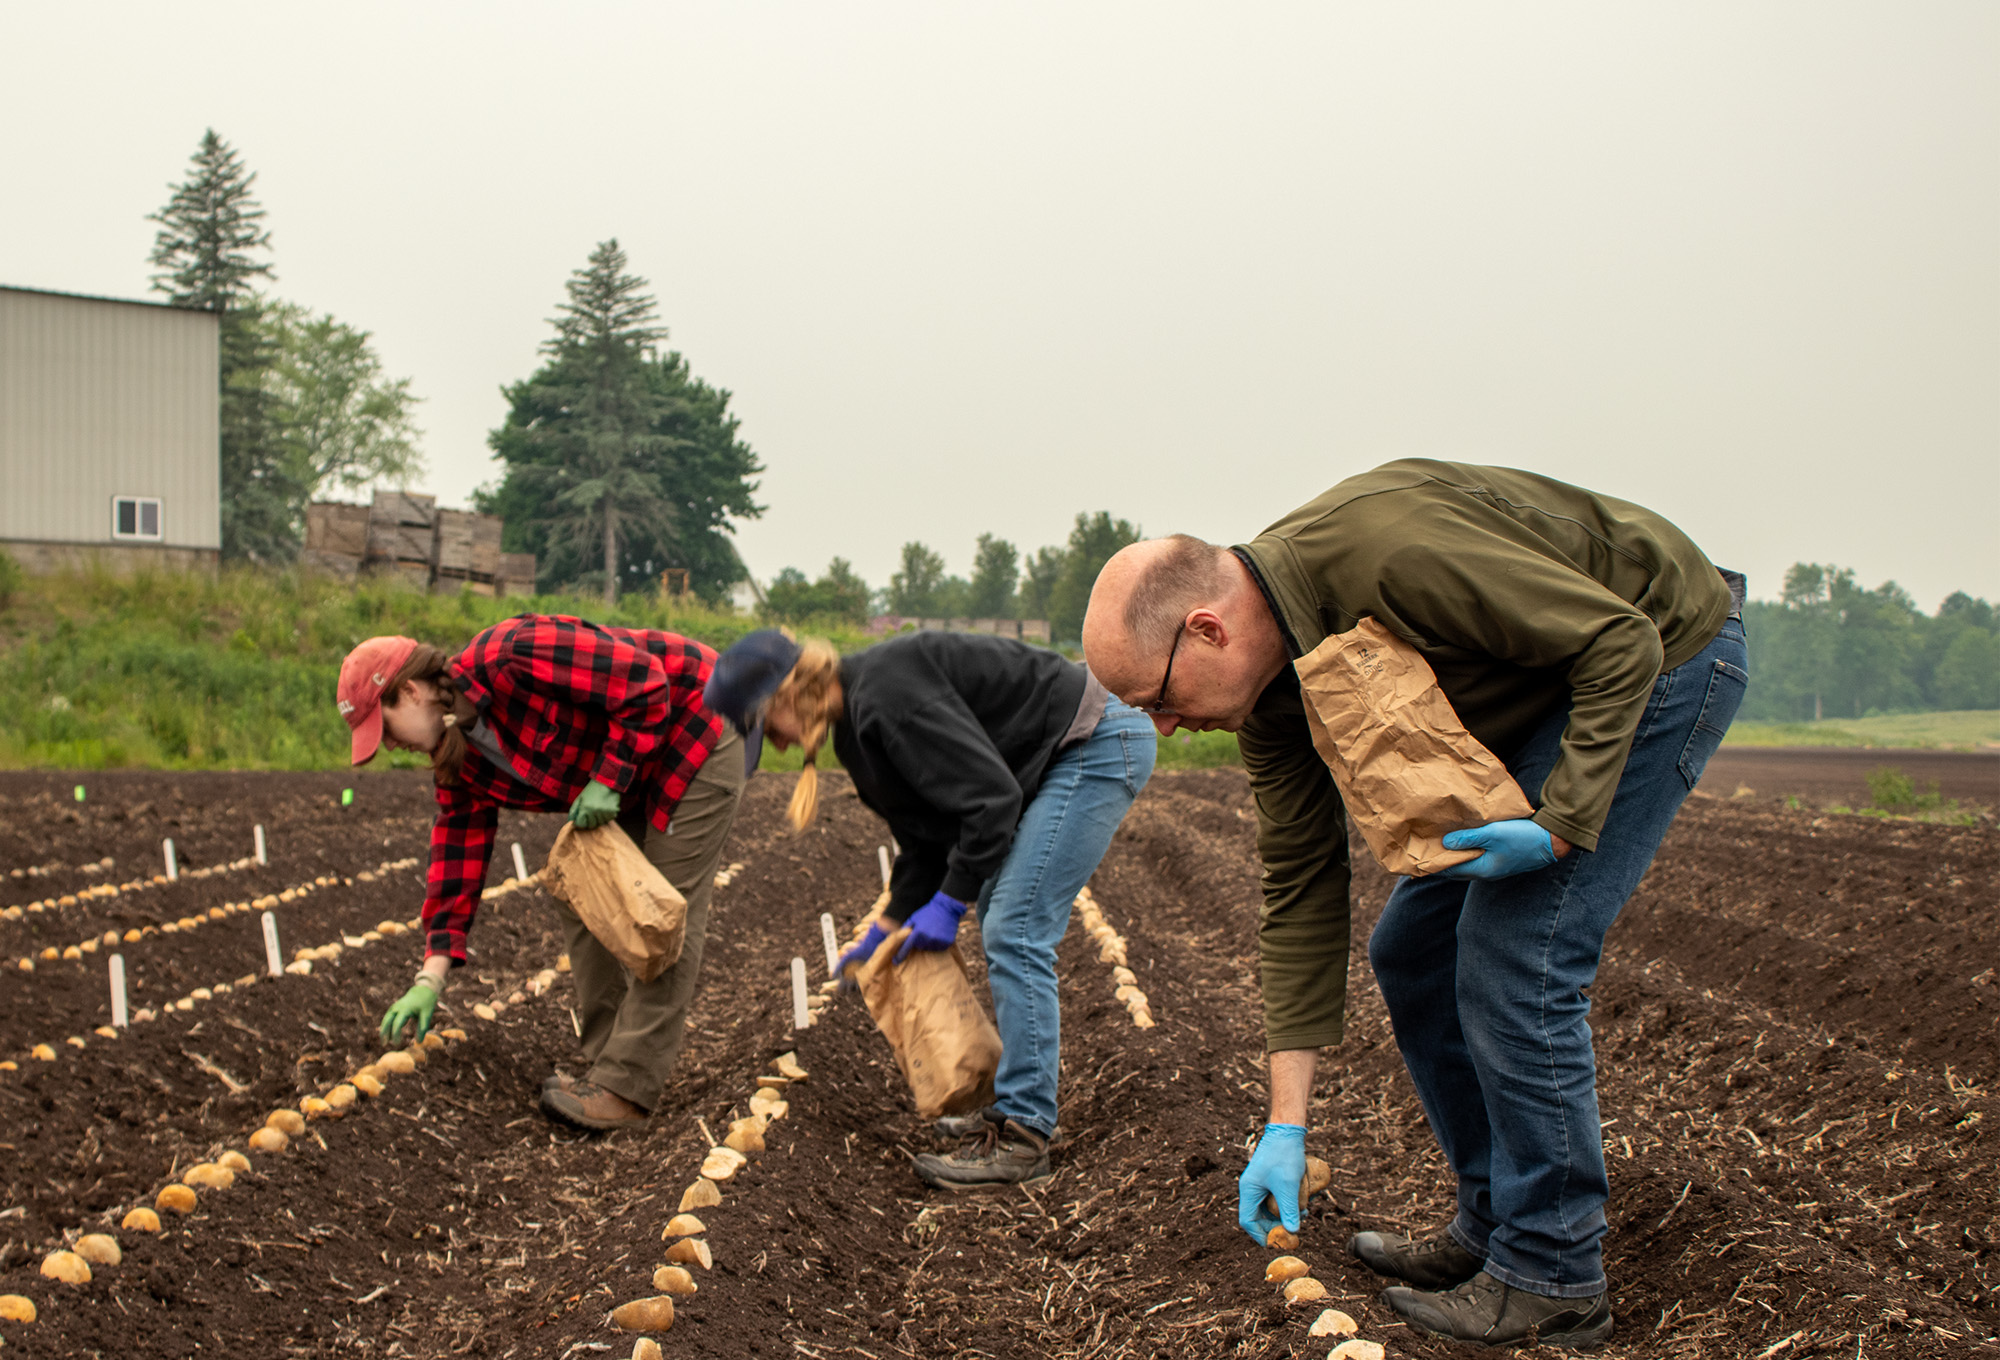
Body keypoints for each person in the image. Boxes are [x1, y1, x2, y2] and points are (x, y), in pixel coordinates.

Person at [1081, 460, 1747, 1350]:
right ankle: (1494, 1223)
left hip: (1662, 649)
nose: (1162, 728)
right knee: (1411, 950)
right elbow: (1301, 891)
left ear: (1204, 629)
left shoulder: (1389, 555)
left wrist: (1559, 826)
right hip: (1555, 686)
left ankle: (1553, 1272)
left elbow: (1617, 642)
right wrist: (1285, 1126)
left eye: (1157, 700)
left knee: (1519, 954)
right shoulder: (1272, 700)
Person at [703, 628, 1156, 1188]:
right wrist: (884, 928)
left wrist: (948, 903)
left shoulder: (888, 699)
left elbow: (991, 803)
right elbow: (926, 841)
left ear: (787, 695)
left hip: (1094, 739)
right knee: (1001, 913)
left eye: (766, 726)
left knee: (1014, 926)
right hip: (1055, 754)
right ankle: (1015, 1107)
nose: (775, 743)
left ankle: (1025, 1134)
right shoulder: (855, 736)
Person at [337, 614, 746, 1131]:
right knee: (580, 890)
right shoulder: (457, 759)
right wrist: (430, 978)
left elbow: (644, 681)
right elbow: (457, 856)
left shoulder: (509, 654)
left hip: (695, 725)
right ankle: (606, 1062)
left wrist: (609, 779)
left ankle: (626, 1089)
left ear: (411, 691)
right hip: (638, 765)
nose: (389, 746)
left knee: (659, 909)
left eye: (384, 726)